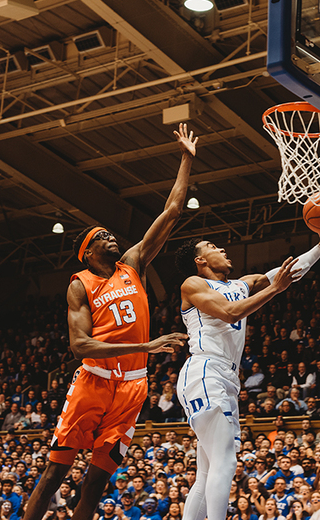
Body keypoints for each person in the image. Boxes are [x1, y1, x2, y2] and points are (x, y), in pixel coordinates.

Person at [23, 124, 197, 520]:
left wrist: (186, 158)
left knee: (96, 481)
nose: (111, 236)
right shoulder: (80, 284)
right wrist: (146, 346)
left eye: (110, 232)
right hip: (95, 380)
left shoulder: (131, 265)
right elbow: (80, 346)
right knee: (56, 471)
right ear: (87, 252)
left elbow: (171, 211)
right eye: (101, 235)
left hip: (132, 385)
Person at [173, 223, 320, 520]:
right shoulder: (193, 284)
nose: (222, 249)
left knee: (208, 471)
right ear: (199, 261)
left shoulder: (240, 284)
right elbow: (230, 313)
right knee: (226, 461)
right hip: (205, 370)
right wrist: (276, 290)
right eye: (213, 247)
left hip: (226, 378)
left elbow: (287, 271)